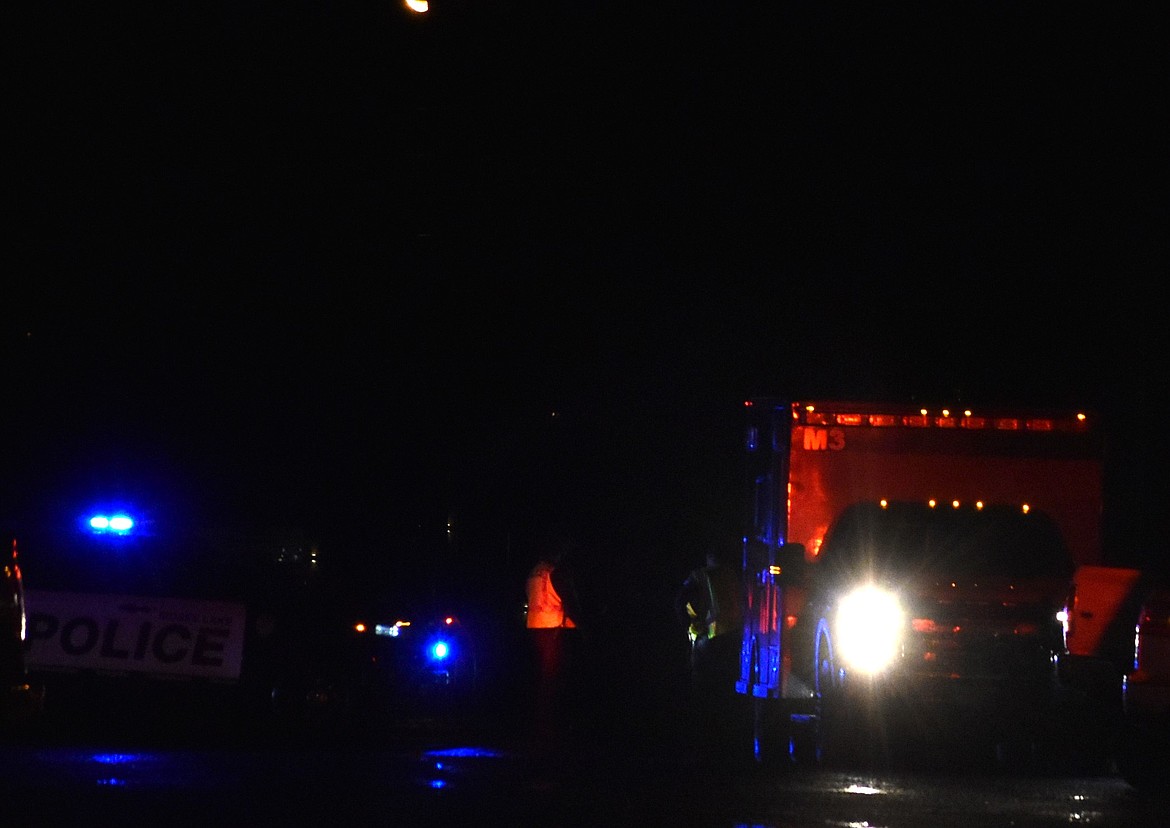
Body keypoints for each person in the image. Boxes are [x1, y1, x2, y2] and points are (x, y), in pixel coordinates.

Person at [675, 545, 746, 762]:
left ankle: (703, 741)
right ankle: (726, 744)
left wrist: (691, 622)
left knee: (703, 690)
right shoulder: (734, 575)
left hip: (710, 639)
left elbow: (681, 602)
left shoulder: (700, 575)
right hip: (734, 637)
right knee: (727, 692)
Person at [524, 535, 584, 755]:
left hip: (534, 627)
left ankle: (539, 724)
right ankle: (551, 727)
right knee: (553, 679)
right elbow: (569, 600)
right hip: (555, 629)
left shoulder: (534, 572)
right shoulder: (555, 572)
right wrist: (583, 626)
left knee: (540, 677)